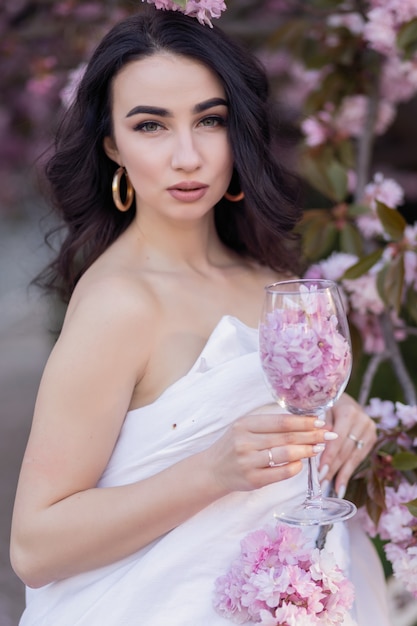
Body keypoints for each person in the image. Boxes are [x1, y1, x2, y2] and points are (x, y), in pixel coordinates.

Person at [10, 5, 390, 625]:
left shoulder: (271, 284)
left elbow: (277, 425)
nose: (187, 157)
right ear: (112, 145)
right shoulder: (120, 303)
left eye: (209, 121)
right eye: (151, 126)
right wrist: (212, 471)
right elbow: (33, 547)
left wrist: (338, 418)